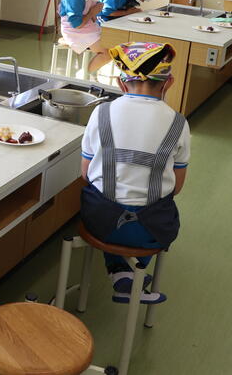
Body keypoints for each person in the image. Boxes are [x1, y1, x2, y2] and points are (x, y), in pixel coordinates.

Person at [79, 42, 190, 305]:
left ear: (120, 82)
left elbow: (85, 174)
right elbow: (177, 187)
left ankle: (121, 272)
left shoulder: (101, 113)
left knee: (103, 198)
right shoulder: (179, 123)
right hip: (151, 230)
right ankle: (131, 271)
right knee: (160, 210)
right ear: (168, 83)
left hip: (100, 222)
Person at [59, 0, 113, 73]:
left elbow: (91, 17)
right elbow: (77, 25)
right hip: (74, 31)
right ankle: (85, 75)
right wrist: (92, 12)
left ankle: (89, 72)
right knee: (107, 53)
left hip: (86, 27)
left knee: (112, 45)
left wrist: (96, 11)